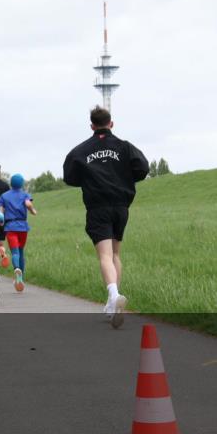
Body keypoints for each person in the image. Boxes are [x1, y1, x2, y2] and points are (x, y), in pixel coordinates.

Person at [62, 106, 149, 329]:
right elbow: (143, 168)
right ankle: (112, 305)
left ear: (92, 125)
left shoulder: (81, 151)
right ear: (111, 123)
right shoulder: (125, 147)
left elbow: (69, 177)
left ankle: (113, 296)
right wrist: (124, 176)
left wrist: (89, 178)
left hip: (98, 206)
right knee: (116, 253)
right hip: (121, 206)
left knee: (104, 255)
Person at [0, 173, 37, 292]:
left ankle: (16, 269)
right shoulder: (25, 194)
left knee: (15, 252)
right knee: (21, 251)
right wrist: (33, 210)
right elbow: (28, 203)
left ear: (11, 183)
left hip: (10, 227)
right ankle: (21, 278)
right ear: (21, 184)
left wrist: (0, 221)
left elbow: (0, 212)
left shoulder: (4, 196)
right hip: (23, 227)